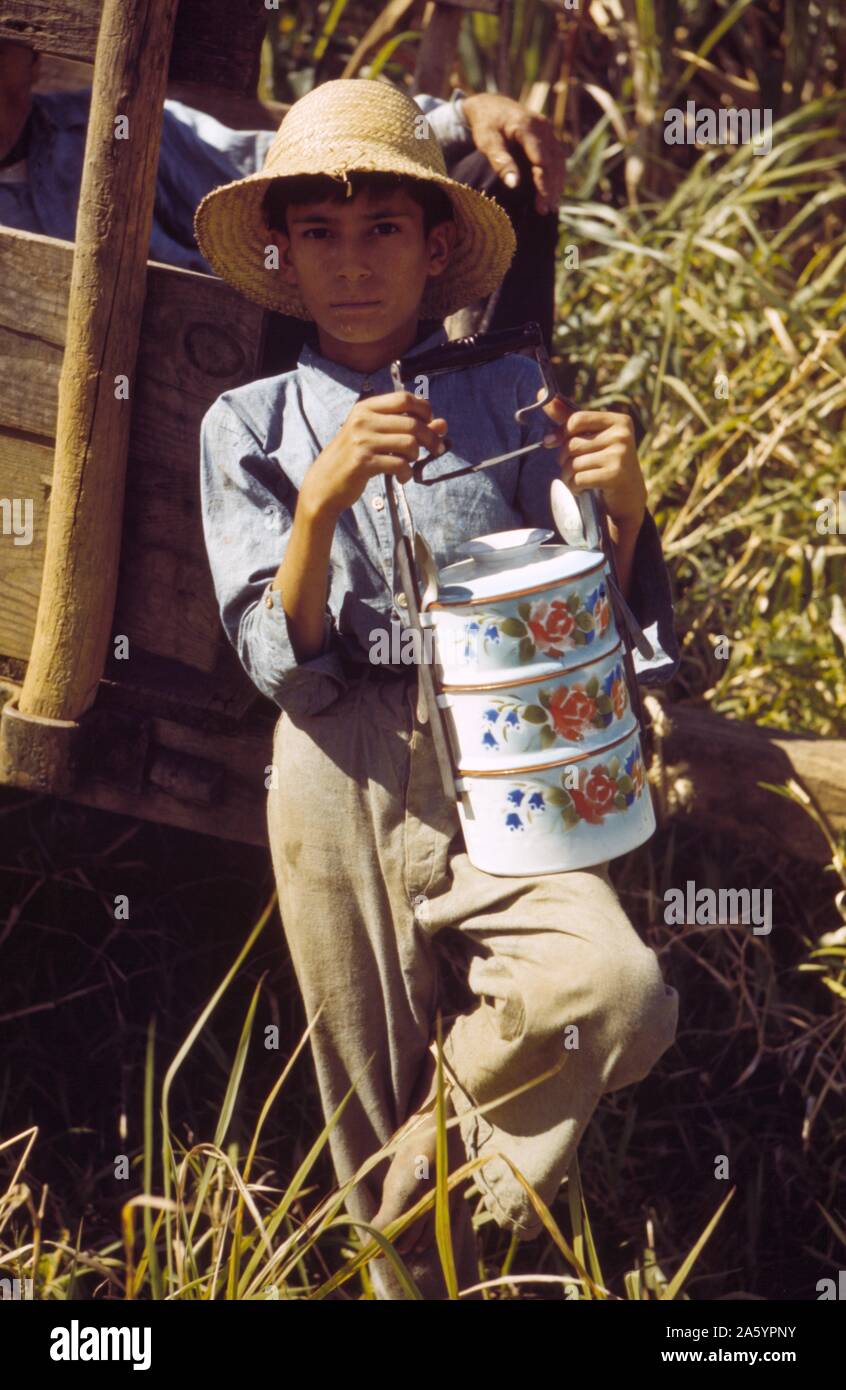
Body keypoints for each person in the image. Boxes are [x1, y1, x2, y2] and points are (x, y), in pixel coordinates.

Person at [195, 78, 680, 1301]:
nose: (353, 265)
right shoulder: (246, 421)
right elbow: (275, 654)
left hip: (506, 749)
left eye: (385, 231)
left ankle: (417, 1182)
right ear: (285, 258)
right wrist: (321, 500)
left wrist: (622, 511)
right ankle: (401, 1255)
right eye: (321, 235)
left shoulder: (509, 395)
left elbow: (594, 621)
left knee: (612, 994)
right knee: (363, 1088)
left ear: (437, 246)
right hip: (335, 765)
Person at [0, 37, 563, 357]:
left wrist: (464, 116)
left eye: (3, 47)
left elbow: (284, 162)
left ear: (35, 57)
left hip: (288, 325)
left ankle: (506, 422)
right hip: (175, 374)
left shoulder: (113, 127)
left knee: (500, 172)